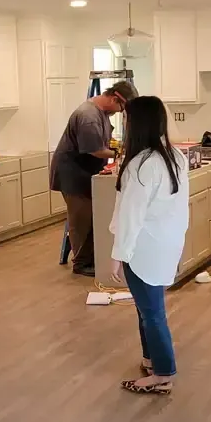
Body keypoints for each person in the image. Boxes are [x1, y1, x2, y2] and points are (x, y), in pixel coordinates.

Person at [109, 96, 189, 395]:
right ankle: (151, 359)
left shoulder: (141, 165)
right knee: (148, 308)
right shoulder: (173, 157)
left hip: (143, 248)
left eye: (127, 119)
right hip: (165, 244)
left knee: (152, 312)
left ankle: (163, 373)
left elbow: (131, 216)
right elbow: (180, 210)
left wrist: (118, 255)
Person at [49, 80, 138, 277]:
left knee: (91, 217)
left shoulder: (102, 113)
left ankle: (91, 259)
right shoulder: (88, 116)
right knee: (82, 219)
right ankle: (81, 263)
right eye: (122, 107)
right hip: (73, 173)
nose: (120, 112)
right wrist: (119, 154)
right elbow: (95, 150)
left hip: (86, 172)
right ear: (115, 98)